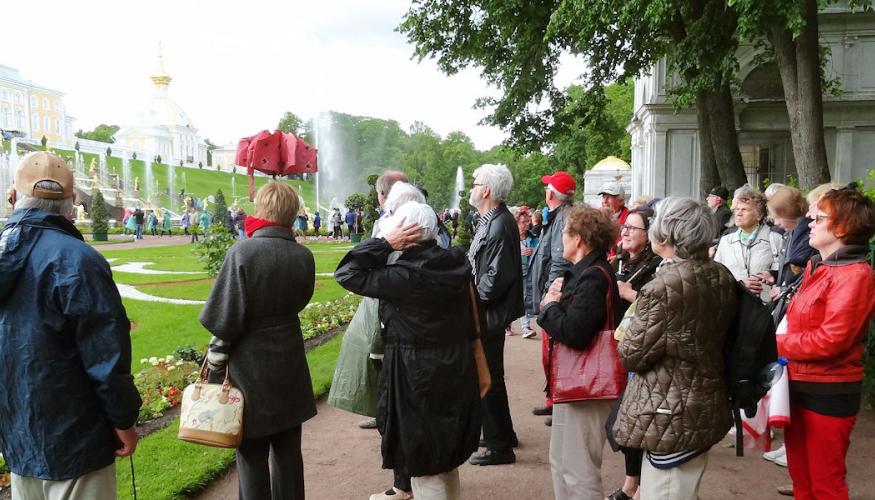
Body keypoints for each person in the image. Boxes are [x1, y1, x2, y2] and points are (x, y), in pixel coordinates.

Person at [0, 151, 141, 498]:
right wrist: (123, 420)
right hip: (76, 437)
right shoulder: (78, 259)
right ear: (73, 201)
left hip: (18, 432)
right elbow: (106, 355)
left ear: (13, 197)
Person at [335, 200, 481, 500]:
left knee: (425, 459)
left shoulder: (406, 275)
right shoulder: (453, 262)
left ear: (407, 234)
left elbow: (347, 272)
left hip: (416, 371)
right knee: (444, 458)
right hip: (453, 363)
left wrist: (383, 243)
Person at [613, 197, 738, 500]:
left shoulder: (665, 287)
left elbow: (631, 353)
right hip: (701, 400)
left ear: (666, 233)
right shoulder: (717, 273)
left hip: (671, 409)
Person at [200, 181, 317, 500]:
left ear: (262, 209)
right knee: (289, 454)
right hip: (289, 362)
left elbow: (224, 319)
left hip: (250, 368)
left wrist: (214, 364)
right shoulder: (303, 255)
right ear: (292, 213)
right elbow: (301, 300)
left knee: (251, 457)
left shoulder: (243, 251)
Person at [777, 187, 875, 500]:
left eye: (819, 218)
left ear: (842, 228)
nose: (810, 223)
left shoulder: (854, 274)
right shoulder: (818, 267)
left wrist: (775, 345)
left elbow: (831, 340)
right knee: (802, 481)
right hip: (799, 384)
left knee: (826, 485)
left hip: (829, 392)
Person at [537, 203, 622, 500]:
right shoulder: (586, 273)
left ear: (579, 239)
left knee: (579, 468)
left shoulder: (594, 276)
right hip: (575, 385)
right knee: (562, 462)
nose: (561, 237)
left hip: (587, 385)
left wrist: (549, 308)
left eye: (565, 231)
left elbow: (575, 332)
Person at [466, 164, 523, 466]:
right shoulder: (494, 221)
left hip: (488, 312)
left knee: (487, 377)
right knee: (490, 375)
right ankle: (501, 434)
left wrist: (472, 301)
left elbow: (496, 277)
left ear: (486, 190)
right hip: (489, 311)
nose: (472, 188)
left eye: (475, 184)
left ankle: (500, 446)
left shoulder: (499, 223)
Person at [605, 206, 662, 500]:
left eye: (633, 228)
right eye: (624, 226)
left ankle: (637, 487)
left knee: (630, 420)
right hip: (619, 349)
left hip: (642, 353)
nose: (625, 231)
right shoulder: (620, 263)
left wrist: (631, 295)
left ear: (649, 235)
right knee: (621, 422)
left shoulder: (658, 268)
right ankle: (632, 483)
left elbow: (665, 311)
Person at [528, 171, 575, 422]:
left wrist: (548, 295)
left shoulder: (563, 218)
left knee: (554, 352)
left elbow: (558, 260)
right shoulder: (559, 216)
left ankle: (559, 401)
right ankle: (553, 399)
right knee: (550, 352)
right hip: (556, 295)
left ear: (551, 194)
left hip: (556, 298)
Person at [714, 185, 783, 303]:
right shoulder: (726, 241)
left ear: (759, 215)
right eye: (736, 209)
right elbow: (716, 277)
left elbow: (783, 277)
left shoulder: (775, 239)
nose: (738, 213)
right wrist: (739, 284)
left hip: (764, 309)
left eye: (744, 209)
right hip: (733, 307)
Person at [516, 207, 539, 339]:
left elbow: (540, 253)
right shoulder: (510, 238)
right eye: (523, 222)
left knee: (524, 299)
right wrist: (518, 254)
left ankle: (525, 327)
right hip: (513, 273)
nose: (526, 225)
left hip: (528, 273)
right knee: (512, 299)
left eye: (527, 222)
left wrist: (533, 251)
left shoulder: (533, 238)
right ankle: (507, 325)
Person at [598, 180, 629, 258]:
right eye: (603, 197)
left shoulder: (629, 217)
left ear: (621, 201)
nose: (604, 201)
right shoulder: (595, 216)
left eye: (608, 197)